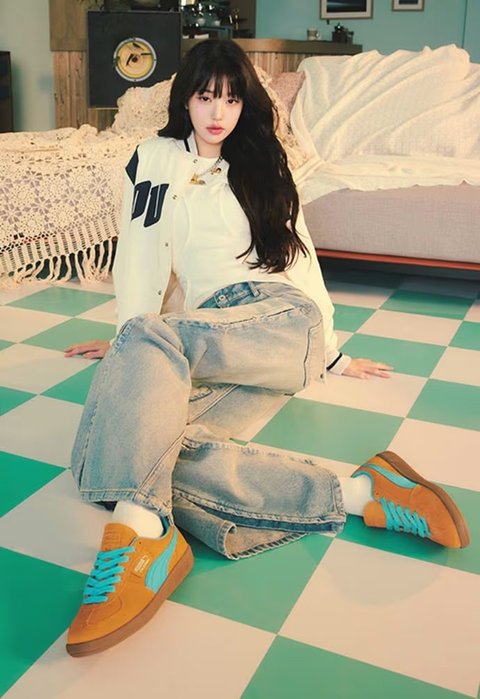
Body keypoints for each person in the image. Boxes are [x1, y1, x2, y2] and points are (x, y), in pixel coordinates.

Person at [64, 39, 469, 658]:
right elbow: (140, 253)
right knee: (120, 459)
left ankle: (139, 535)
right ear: (185, 99)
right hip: (212, 336)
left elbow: (302, 262)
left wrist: (332, 353)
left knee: (121, 436)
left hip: (281, 322)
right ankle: (364, 494)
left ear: (244, 104)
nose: (217, 112)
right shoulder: (155, 159)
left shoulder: (264, 164)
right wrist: (132, 341)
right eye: (206, 97)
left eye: (231, 99)